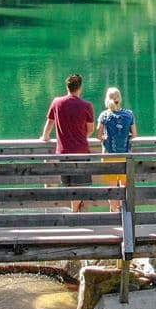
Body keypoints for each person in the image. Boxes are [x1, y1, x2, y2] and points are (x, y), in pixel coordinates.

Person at [40, 74, 95, 212]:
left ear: (67, 87)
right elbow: (90, 129)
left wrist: (45, 137)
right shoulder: (86, 105)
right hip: (81, 152)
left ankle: (71, 214)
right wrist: (81, 135)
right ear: (80, 88)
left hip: (63, 153)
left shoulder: (57, 102)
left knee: (68, 185)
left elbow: (49, 125)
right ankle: (75, 214)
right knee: (78, 186)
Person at [96, 87, 137, 212]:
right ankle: (125, 213)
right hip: (125, 156)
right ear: (120, 98)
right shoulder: (129, 114)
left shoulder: (104, 115)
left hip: (109, 156)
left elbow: (98, 136)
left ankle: (114, 212)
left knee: (112, 188)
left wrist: (105, 138)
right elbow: (134, 135)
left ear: (107, 100)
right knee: (125, 187)